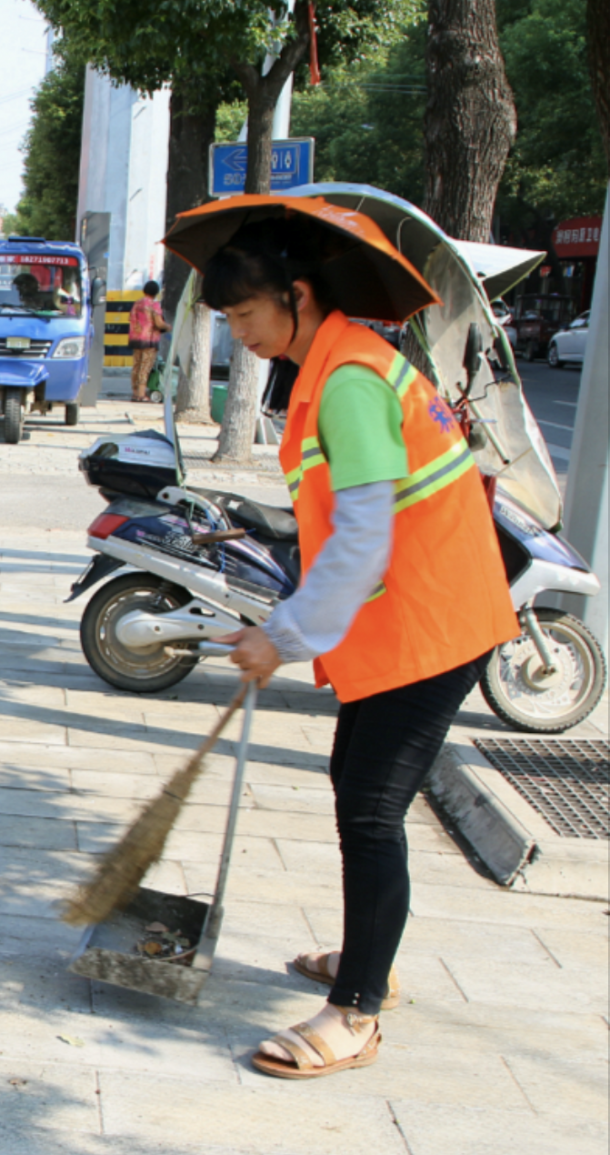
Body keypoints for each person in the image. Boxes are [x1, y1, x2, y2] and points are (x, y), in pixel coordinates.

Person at [201, 223, 518, 1080]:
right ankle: (364, 960)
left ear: (298, 296)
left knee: (372, 809)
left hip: (432, 625)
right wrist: (284, 619)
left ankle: (358, 1012)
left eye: (246, 313)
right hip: (406, 623)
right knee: (360, 794)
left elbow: (365, 539)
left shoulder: (347, 379)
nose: (241, 333)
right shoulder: (339, 366)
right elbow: (342, 531)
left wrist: (287, 636)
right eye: (229, 320)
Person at [128, 279, 169, 402]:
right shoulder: (153, 305)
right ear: (156, 292)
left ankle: (135, 393)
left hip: (135, 339)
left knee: (136, 365)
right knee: (145, 367)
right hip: (149, 340)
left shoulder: (136, 304)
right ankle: (141, 395)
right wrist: (168, 326)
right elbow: (159, 323)